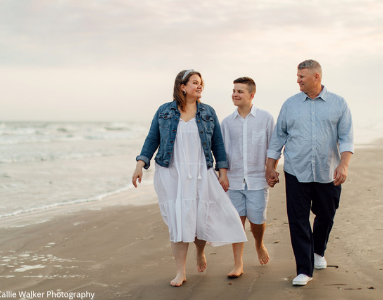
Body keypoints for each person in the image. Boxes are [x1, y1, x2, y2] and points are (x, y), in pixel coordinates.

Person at [132, 69, 247, 287]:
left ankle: (201, 251)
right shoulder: (164, 111)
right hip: (172, 172)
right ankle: (180, 272)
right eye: (195, 82)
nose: (199, 86)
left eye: (201, 83)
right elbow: (152, 139)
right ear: (182, 87)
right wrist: (140, 164)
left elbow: (218, 145)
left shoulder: (208, 112)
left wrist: (222, 172)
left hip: (201, 172)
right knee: (178, 221)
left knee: (204, 215)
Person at [265, 59, 354, 286]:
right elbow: (278, 138)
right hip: (296, 171)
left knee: (326, 215)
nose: (298, 80)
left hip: (328, 171)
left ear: (317, 77)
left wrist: (343, 165)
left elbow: (345, 138)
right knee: (298, 220)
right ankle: (304, 269)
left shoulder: (339, 103)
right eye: (297, 76)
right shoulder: (290, 104)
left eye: (302, 76)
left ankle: (318, 251)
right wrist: (270, 167)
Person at [221, 77, 276, 278]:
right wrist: (223, 175)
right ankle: (238, 264)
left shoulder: (266, 118)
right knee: (237, 222)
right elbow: (221, 152)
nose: (235, 94)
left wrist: (271, 170)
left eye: (240, 91)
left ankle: (259, 243)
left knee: (257, 219)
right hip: (233, 180)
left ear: (252, 95)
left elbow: (273, 147)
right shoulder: (226, 123)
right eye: (234, 90)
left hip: (257, 179)